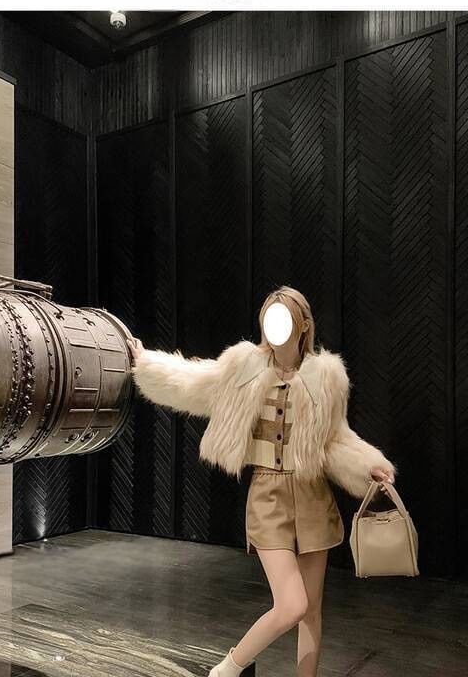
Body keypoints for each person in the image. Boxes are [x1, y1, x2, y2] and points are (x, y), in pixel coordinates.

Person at [127, 285, 397, 677]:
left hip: (312, 495)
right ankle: (227, 669)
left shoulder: (327, 378)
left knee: (311, 612)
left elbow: (336, 438)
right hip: (268, 496)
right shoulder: (243, 367)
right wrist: (147, 363)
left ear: (303, 325)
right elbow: (193, 381)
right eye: (269, 316)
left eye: (283, 317)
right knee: (292, 605)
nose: (274, 325)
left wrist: (369, 465)